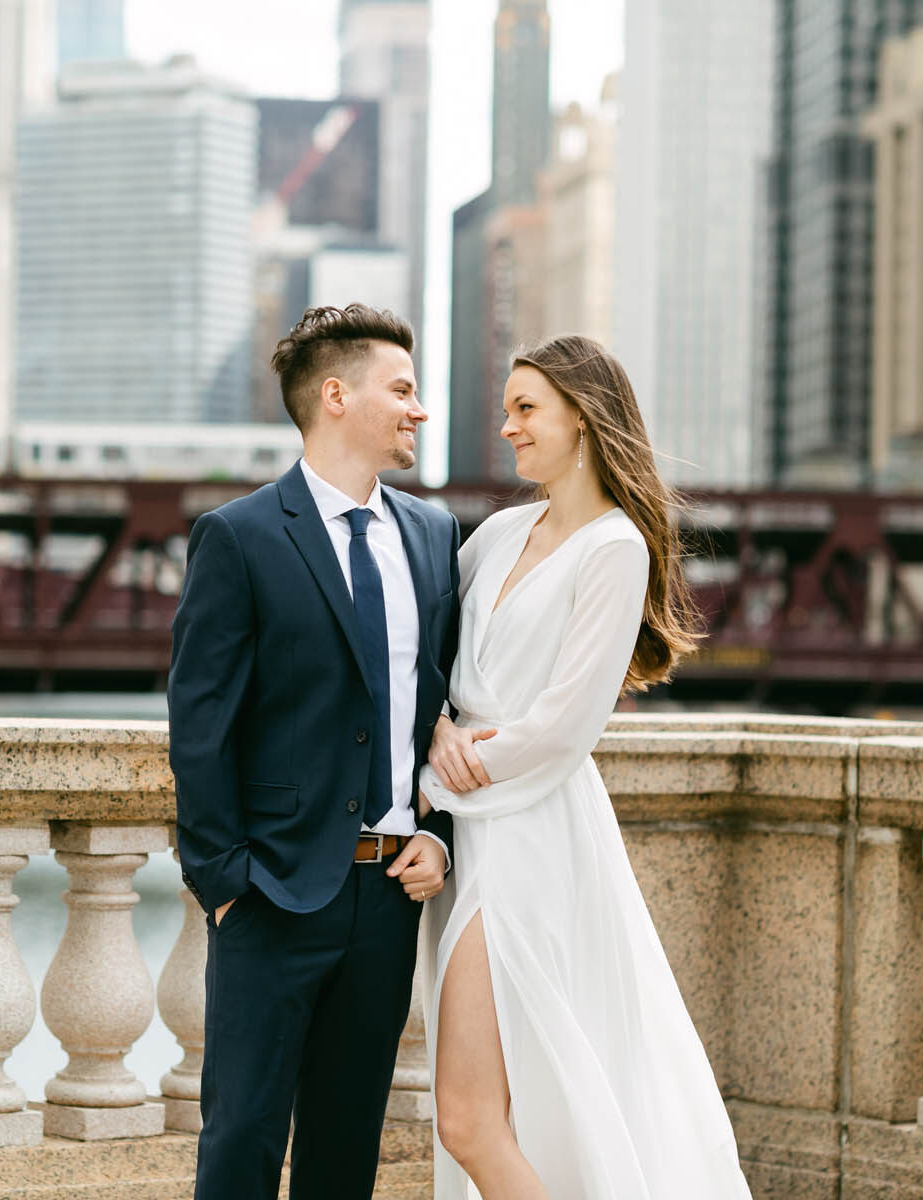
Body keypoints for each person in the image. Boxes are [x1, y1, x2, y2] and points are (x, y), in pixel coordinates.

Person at [418, 335, 752, 1198]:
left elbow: (562, 730)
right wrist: (433, 729)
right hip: (466, 829)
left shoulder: (615, 549)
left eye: (526, 407)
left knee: (466, 1119)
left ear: (583, 415)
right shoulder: (497, 533)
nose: (508, 426)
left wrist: (439, 770)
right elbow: (429, 663)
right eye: (508, 408)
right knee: (505, 1111)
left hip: (531, 841)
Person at [168, 304, 461, 1200]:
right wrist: (224, 884)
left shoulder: (436, 536)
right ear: (336, 396)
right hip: (271, 897)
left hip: (386, 896)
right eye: (402, 390)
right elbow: (201, 723)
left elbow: (444, 709)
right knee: (242, 1146)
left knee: (346, 1153)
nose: (419, 410)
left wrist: (439, 828)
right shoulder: (241, 536)